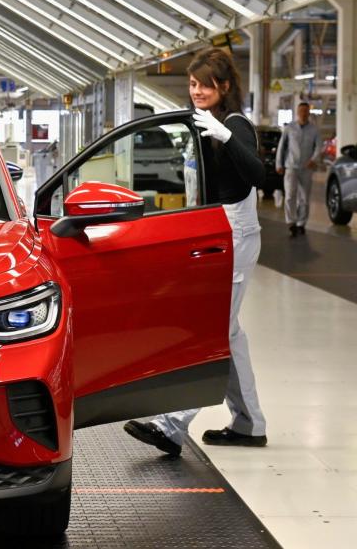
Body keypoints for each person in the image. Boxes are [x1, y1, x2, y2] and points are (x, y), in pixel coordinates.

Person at [124, 48, 268, 456]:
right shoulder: (201, 123)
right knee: (229, 332)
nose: (197, 91)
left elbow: (258, 174)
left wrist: (225, 137)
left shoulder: (234, 124)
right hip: (213, 233)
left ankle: (172, 427)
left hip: (236, 236)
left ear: (224, 86)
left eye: (205, 84)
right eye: (192, 84)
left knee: (212, 331)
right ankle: (249, 423)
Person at [276, 102, 321, 237]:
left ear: (308, 113)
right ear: (297, 112)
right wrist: (279, 164)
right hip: (291, 166)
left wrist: (314, 159)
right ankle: (291, 222)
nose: (303, 113)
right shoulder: (290, 128)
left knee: (304, 198)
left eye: (306, 111)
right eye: (301, 111)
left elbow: (319, 146)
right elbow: (281, 147)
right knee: (290, 195)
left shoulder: (314, 130)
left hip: (307, 168)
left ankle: (301, 223)